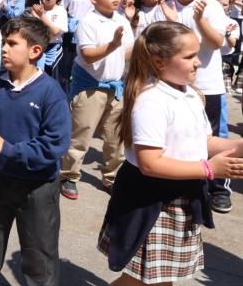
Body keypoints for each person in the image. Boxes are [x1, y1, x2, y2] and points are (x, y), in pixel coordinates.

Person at [98, 21, 243, 285]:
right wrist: (210, 169)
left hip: (181, 198)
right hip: (151, 202)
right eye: (189, 57)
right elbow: (150, 164)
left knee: (161, 279)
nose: (198, 62)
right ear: (159, 62)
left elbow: (204, 141)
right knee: (140, 281)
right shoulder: (151, 101)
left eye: (197, 54)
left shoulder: (190, 95)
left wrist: (238, 148)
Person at [0, 16, 71, 286]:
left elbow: (54, 145)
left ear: (35, 51)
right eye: (4, 41)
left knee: (39, 251)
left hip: (37, 186)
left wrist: (8, 149)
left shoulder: (51, 93)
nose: (3, 48)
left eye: (11, 43)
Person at [60, 0, 134, 200]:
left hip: (115, 87)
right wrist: (112, 45)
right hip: (90, 86)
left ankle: (111, 177)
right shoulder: (88, 21)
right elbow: (87, 54)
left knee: (115, 138)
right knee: (81, 134)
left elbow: (128, 51)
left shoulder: (121, 20)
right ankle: (69, 176)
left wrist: (125, 47)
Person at [172, 0, 233, 213]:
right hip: (175, 85)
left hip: (207, 85)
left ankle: (219, 188)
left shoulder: (212, 5)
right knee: (180, 138)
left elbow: (217, 42)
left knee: (212, 140)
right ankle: (186, 185)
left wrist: (199, 20)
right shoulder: (167, 6)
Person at [31, 0, 68, 80]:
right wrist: (35, 17)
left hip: (53, 48)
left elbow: (55, 32)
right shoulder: (38, 9)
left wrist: (41, 16)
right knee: (36, 76)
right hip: (39, 47)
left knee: (52, 77)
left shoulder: (61, 11)